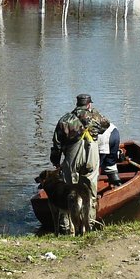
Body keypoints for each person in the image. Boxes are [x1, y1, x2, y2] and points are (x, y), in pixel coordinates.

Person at [49, 93, 106, 233]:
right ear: (89, 104)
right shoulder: (96, 116)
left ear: (77, 104)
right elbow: (106, 126)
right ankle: (89, 224)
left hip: (72, 156)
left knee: (69, 190)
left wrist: (55, 161)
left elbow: (57, 142)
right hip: (91, 154)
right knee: (90, 191)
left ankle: (68, 228)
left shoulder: (65, 119)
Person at [97, 116, 122, 187]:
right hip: (115, 133)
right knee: (110, 163)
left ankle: (93, 189)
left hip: (103, 138)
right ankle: (117, 184)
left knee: (96, 165)